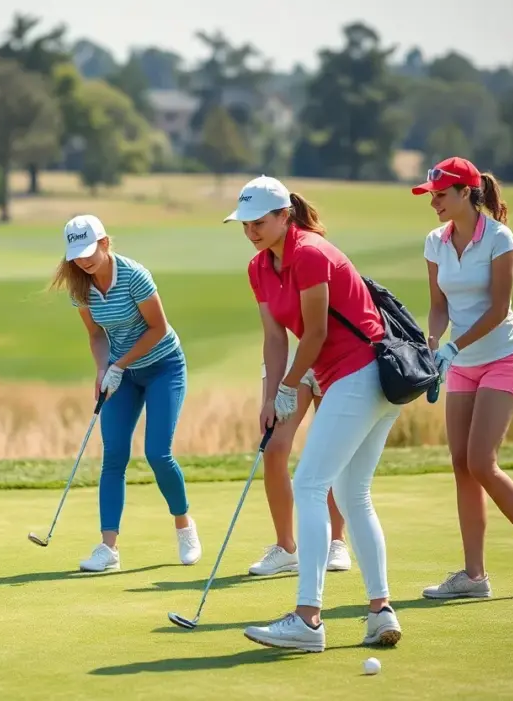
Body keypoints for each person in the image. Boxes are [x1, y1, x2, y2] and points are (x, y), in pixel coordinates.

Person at [227, 176, 402, 653]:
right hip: (347, 378)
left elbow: (318, 332)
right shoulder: (260, 268)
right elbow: (275, 338)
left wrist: (290, 387)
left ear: (285, 215)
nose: (251, 231)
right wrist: (271, 397)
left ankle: (308, 618)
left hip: (364, 374)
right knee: (352, 493)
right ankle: (379, 611)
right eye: (244, 224)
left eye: (259, 222)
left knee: (309, 484)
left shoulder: (310, 253)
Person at [414, 157, 513, 600]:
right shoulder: (435, 242)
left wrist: (455, 347)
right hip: (460, 362)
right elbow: (438, 305)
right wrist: (434, 343)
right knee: (461, 465)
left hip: (504, 358)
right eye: (431, 196)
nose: (434, 203)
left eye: (441, 195)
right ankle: (474, 577)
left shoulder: (499, 238)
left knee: (481, 462)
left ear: (466, 193)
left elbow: (499, 309)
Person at [49, 214, 202, 573]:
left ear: (105, 243)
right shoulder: (79, 286)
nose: (83, 261)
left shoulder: (134, 275)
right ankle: (108, 549)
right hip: (122, 374)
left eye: (89, 251)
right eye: (77, 254)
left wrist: (119, 366)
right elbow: (97, 334)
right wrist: (104, 369)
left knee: (158, 453)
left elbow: (158, 329)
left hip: (164, 366)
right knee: (114, 456)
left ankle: (184, 527)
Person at [247, 360, 352, 576]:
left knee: (332, 446)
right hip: (290, 359)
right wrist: (270, 398)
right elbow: (273, 336)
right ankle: (285, 547)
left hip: (335, 353)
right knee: (274, 447)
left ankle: (337, 541)